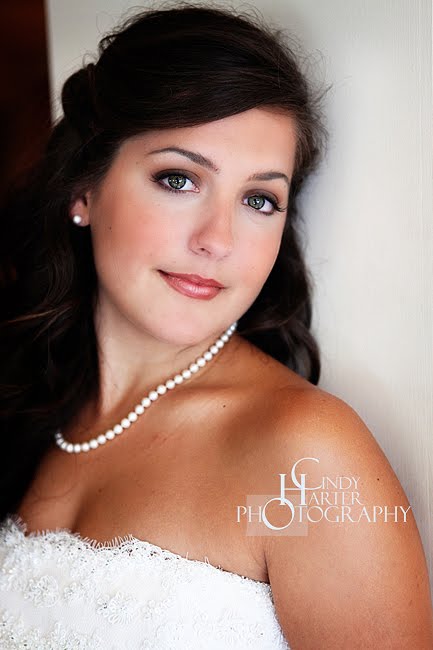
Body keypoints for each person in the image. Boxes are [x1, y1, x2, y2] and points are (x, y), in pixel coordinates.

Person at [0, 4, 432, 649]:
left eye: (259, 199)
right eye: (179, 179)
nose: (218, 240)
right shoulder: (33, 404)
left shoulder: (307, 456)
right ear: (84, 191)